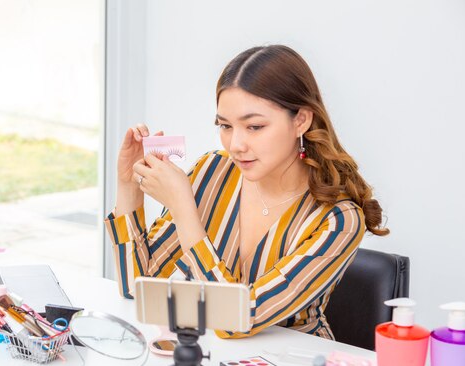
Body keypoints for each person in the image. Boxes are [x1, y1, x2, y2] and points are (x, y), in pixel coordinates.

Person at [104, 45, 389, 339]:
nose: (236, 144)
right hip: (215, 360)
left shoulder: (338, 220)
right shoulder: (213, 172)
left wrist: (183, 210)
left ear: (301, 120)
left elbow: (236, 319)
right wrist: (127, 184)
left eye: (254, 126)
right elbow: (138, 286)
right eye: (225, 126)